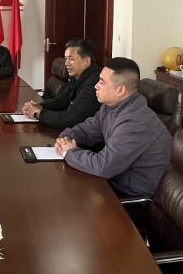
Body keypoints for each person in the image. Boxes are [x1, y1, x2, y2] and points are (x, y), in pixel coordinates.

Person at [54, 57, 172, 198]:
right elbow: (88, 130)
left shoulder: (135, 122)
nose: (96, 86)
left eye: (102, 82)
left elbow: (104, 166)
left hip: (129, 196)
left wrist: (69, 152)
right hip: (112, 180)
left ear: (120, 90)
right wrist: (66, 138)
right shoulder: (111, 106)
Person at [22, 38, 100, 128]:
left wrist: (39, 113)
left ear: (86, 61)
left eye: (71, 59)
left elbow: (72, 119)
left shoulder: (93, 85)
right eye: (65, 58)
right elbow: (61, 101)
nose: (66, 63)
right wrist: (39, 105)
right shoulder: (77, 77)